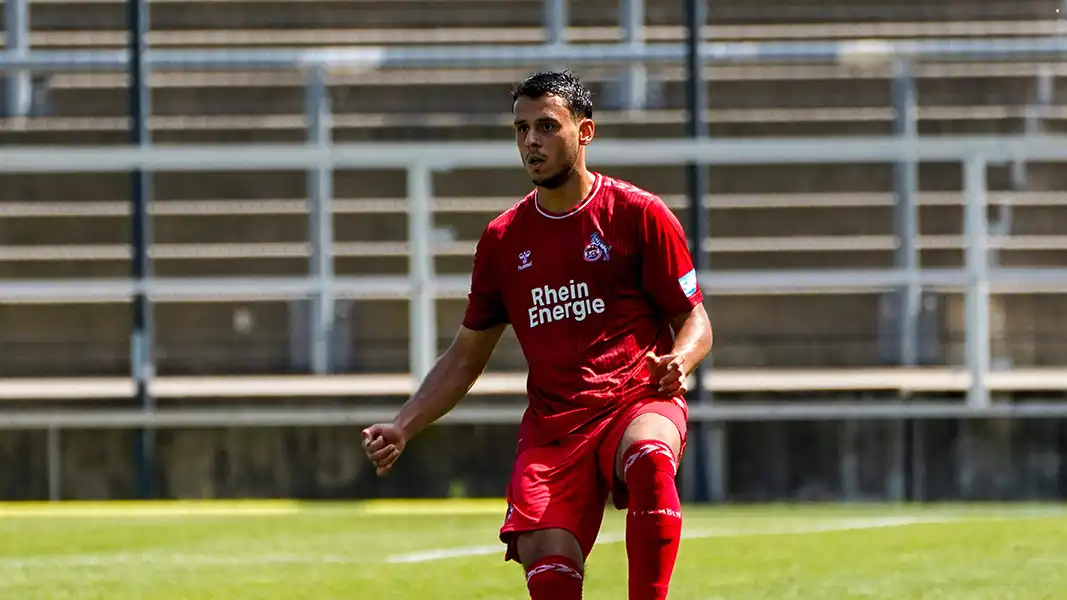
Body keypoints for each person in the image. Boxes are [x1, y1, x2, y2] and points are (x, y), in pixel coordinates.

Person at [361, 69, 713, 600]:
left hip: (635, 400)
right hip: (553, 428)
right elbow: (465, 355)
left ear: (585, 132)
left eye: (547, 127)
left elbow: (697, 321)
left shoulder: (638, 214)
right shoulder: (503, 240)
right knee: (548, 569)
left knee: (650, 457)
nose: (531, 141)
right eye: (522, 129)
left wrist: (680, 360)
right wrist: (404, 425)